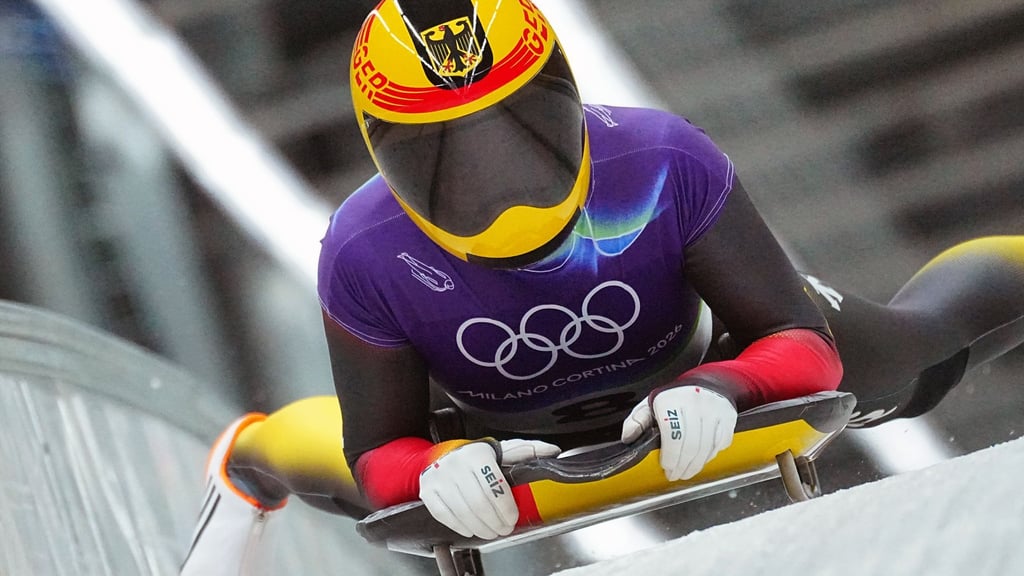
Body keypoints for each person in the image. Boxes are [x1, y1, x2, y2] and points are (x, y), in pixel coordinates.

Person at [179, 0, 1024, 573]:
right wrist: (428, 468)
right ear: (384, 151)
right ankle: (247, 460)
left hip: (709, 362)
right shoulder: (363, 252)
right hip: (477, 431)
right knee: (322, 459)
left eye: (518, 126)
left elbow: (798, 344)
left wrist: (727, 381)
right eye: (445, 153)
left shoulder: (662, 161)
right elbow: (378, 453)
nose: (497, 180)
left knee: (915, 354)